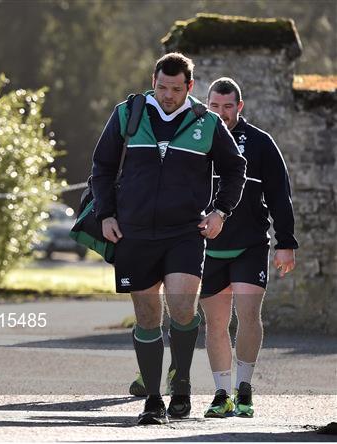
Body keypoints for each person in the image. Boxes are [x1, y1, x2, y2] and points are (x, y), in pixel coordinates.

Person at [91, 53, 246, 425]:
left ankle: (181, 386)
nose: (168, 95)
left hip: (184, 233)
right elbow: (102, 166)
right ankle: (153, 400)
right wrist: (106, 214)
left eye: (177, 89)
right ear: (153, 80)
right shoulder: (127, 114)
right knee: (146, 316)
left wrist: (220, 212)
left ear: (189, 87)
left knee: (181, 309)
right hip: (134, 231)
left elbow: (234, 169)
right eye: (162, 87)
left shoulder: (206, 122)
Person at [200, 77, 298, 418]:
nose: (222, 113)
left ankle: (244, 389)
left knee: (247, 316)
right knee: (214, 324)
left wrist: (286, 242)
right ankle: (221, 392)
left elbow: (280, 196)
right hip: (207, 249)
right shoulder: (196, 139)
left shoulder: (260, 143)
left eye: (228, 107)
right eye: (215, 106)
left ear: (239, 107)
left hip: (250, 244)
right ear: (206, 104)